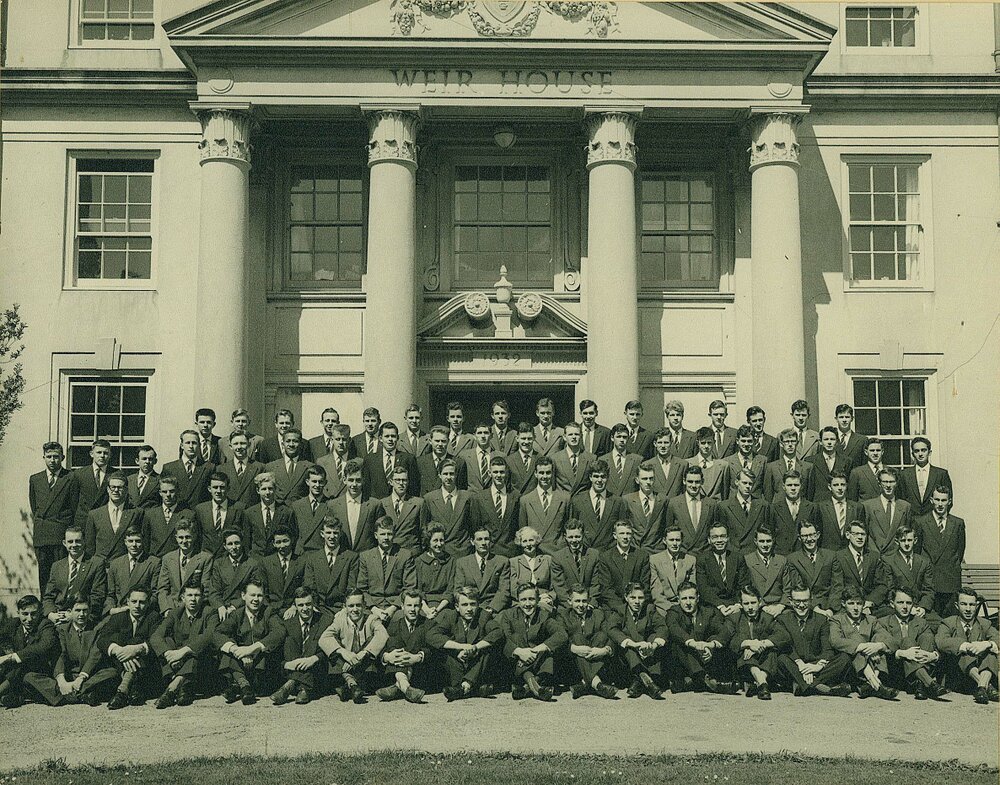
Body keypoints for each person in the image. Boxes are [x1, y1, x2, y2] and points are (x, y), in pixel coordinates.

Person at [23, 594, 118, 707]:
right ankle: (82, 695)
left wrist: (81, 678)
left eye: (85, 610)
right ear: (70, 611)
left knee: (112, 672)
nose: (81, 614)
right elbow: (60, 654)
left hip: (88, 676)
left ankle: (64, 697)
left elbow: (95, 655)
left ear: (90, 611)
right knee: (29, 677)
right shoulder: (61, 629)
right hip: (68, 677)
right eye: (77, 610)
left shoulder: (97, 629)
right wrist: (62, 681)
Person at [214, 580, 286, 705]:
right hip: (241, 663)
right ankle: (245, 686)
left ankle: (238, 685)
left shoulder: (269, 612)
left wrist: (253, 649)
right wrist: (236, 650)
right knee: (226, 649)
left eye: (259, 595)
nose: (256, 599)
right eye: (252, 595)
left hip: (260, 667)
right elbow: (218, 633)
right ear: (243, 596)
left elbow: (279, 632)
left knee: (267, 652)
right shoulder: (237, 614)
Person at [426, 585, 502, 701]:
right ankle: (474, 689)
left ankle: (464, 687)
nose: (469, 609)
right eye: (465, 605)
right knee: (445, 651)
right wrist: (460, 648)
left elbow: (498, 632)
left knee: (487, 650)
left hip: (475, 663)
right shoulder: (450, 616)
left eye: (473, 604)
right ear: (457, 607)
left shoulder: (483, 616)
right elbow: (431, 636)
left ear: (478, 605)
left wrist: (475, 647)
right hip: (458, 662)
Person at [774, 585, 853, 697]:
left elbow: (827, 649)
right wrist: (800, 664)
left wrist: (817, 666)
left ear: (811, 600)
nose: (801, 605)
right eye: (797, 601)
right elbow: (786, 647)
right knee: (781, 658)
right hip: (795, 665)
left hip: (816, 666)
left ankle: (803, 686)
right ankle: (822, 688)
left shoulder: (821, 619)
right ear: (791, 601)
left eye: (805, 601)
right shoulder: (783, 619)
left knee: (844, 658)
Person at [150, 582, 219, 708]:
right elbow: (156, 636)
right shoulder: (175, 613)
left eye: (197, 595)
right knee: (166, 640)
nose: (193, 599)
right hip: (176, 663)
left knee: (197, 647)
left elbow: (210, 636)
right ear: (183, 598)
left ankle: (172, 688)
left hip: (201, 663)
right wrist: (168, 654)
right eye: (190, 595)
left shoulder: (210, 612)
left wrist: (183, 652)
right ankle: (185, 688)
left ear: (203, 597)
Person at [872, 586, 946, 699]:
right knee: (907, 641)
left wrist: (932, 656)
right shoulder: (883, 623)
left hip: (918, 665)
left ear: (913, 605)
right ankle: (930, 683)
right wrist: (902, 653)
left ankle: (920, 685)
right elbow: (884, 647)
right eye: (900, 602)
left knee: (926, 637)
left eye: (908, 603)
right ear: (892, 604)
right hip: (896, 670)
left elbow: (931, 644)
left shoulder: (921, 622)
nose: (905, 607)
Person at [499, 583, 567, 701]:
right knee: (515, 638)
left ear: (538, 599)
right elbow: (505, 639)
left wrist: (537, 649)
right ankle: (536, 687)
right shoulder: (508, 615)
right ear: (518, 601)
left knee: (549, 652)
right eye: (523, 600)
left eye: (531, 599)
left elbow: (562, 634)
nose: (527, 604)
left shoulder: (544, 615)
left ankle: (526, 688)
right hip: (516, 662)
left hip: (537, 660)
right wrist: (520, 652)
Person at [318, 589, 388, 703]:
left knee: (372, 641)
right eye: (351, 606)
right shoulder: (340, 621)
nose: (355, 609)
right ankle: (353, 685)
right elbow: (323, 639)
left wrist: (363, 653)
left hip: (364, 668)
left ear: (365, 606)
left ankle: (347, 686)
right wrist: (343, 652)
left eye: (358, 605)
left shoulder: (372, 619)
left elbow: (383, 634)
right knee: (333, 644)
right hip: (345, 663)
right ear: (345, 607)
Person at [828, 586, 896, 700]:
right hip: (850, 666)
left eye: (859, 604)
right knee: (856, 646)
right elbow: (835, 641)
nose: (855, 608)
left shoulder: (871, 620)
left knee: (879, 638)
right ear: (843, 604)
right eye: (851, 603)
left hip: (872, 663)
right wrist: (863, 646)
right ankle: (878, 686)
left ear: (864, 604)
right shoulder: (837, 620)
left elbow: (891, 640)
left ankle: (872, 683)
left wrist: (877, 646)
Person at [97, 587, 160, 709]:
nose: (137, 606)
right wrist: (120, 651)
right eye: (134, 601)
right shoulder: (118, 617)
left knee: (138, 642)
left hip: (146, 665)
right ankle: (133, 689)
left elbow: (157, 640)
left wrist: (138, 648)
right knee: (118, 641)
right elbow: (102, 639)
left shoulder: (153, 617)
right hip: (120, 662)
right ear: (127, 602)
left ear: (148, 603)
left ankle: (122, 692)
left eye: (142, 602)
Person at [29, 441, 79, 592]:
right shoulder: (35, 479)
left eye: (56, 457)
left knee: (61, 573)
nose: (52, 460)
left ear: (62, 457)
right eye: (49, 456)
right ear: (43, 457)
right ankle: (46, 609)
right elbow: (35, 506)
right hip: (42, 535)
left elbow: (74, 506)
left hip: (60, 534)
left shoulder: (70, 477)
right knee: (44, 574)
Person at [665, 581, 732, 693]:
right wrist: (693, 643)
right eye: (684, 598)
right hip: (681, 663)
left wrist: (710, 645)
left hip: (704, 658)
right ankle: (704, 679)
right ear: (678, 600)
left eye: (691, 598)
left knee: (715, 639)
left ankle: (696, 680)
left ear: (698, 598)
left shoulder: (708, 612)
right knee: (679, 642)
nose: (688, 602)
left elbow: (724, 631)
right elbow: (674, 629)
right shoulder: (674, 612)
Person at [935, 588, 999, 704]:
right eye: (964, 604)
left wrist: (986, 644)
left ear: (976, 606)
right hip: (958, 678)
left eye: (972, 605)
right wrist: (965, 645)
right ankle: (986, 686)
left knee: (990, 651)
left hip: (981, 671)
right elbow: (941, 641)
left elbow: (997, 638)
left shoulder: (984, 623)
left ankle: (981, 688)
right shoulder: (948, 623)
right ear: (957, 605)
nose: (968, 609)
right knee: (963, 650)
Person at [270, 587, 333, 706]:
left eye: (308, 604)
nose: (305, 609)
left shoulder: (325, 621)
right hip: (294, 668)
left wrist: (313, 659)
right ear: (295, 606)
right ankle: (303, 688)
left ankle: (290, 685)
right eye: (301, 605)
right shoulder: (288, 623)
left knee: (314, 643)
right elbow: (279, 654)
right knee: (290, 642)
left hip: (316, 669)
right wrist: (286, 664)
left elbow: (331, 649)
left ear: (313, 603)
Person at [724, 584, 786, 700]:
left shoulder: (767, 618)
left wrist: (761, 644)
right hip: (742, 666)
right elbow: (728, 641)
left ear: (760, 602)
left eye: (753, 603)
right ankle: (763, 684)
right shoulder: (734, 618)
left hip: (764, 664)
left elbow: (783, 636)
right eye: (746, 604)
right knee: (745, 652)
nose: (750, 607)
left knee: (771, 651)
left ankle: (758, 682)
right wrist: (748, 643)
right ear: (741, 605)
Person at [608, 582, 668, 699]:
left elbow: (662, 627)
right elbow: (612, 629)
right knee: (627, 646)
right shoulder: (620, 611)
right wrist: (633, 644)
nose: (637, 602)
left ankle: (639, 682)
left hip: (647, 652)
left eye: (640, 598)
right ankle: (647, 680)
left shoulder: (649, 609)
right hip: (627, 659)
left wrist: (653, 645)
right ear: (626, 598)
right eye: (633, 597)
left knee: (653, 636)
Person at [557, 584, 617, 699]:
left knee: (601, 635)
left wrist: (605, 650)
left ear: (589, 600)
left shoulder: (598, 614)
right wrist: (574, 648)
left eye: (584, 601)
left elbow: (611, 635)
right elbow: (559, 640)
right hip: (573, 665)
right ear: (570, 601)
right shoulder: (562, 615)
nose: (581, 605)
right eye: (577, 601)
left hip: (596, 659)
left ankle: (584, 684)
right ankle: (597, 684)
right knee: (577, 638)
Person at [0, 594, 59, 708]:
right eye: (25, 614)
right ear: (18, 613)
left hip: (37, 670)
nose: (29, 619)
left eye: (33, 614)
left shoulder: (46, 625)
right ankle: (14, 697)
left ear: (40, 612)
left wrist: (10, 657)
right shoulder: (13, 624)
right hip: (16, 673)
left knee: (21, 666)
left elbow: (44, 646)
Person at [915, 485, 966, 617]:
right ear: (931, 500)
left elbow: (959, 551)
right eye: (937, 500)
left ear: (949, 502)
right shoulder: (921, 522)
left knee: (950, 620)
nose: (940, 504)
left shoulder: (958, 523)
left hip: (950, 579)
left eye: (943, 500)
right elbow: (917, 551)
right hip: (929, 581)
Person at [43, 525, 107, 627]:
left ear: (84, 542)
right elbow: (48, 597)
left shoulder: (96, 563)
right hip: (58, 617)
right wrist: (51, 614)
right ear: (64, 543)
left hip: (83, 617)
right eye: (70, 541)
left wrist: (74, 614)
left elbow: (98, 596)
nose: (74, 545)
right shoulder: (57, 566)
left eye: (78, 541)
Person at [358, 517, 417, 623]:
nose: (386, 538)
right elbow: (362, 589)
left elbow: (409, 587)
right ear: (376, 535)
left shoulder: (405, 555)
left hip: (396, 606)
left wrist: (392, 608)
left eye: (389, 534)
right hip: (372, 606)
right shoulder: (366, 557)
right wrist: (374, 609)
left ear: (393, 535)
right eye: (382, 534)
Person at [377, 589, 430, 703]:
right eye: (409, 605)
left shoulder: (428, 625)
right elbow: (383, 648)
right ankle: (406, 687)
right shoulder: (393, 626)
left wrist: (417, 657)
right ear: (402, 607)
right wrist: (387, 657)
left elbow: (434, 650)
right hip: (397, 668)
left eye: (416, 606)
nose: (412, 609)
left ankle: (398, 686)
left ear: (421, 607)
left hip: (419, 672)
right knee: (393, 646)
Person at [301, 517, 359, 616]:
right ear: (322, 534)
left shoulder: (351, 557)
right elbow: (309, 587)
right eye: (328, 532)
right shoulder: (313, 558)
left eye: (335, 533)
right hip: (319, 609)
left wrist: (344, 609)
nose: (332, 537)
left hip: (342, 609)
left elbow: (351, 587)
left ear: (340, 534)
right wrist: (315, 608)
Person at [829, 520, 888, 615]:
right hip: (848, 605)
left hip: (869, 605)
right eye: (856, 534)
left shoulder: (874, 556)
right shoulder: (839, 557)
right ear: (848, 535)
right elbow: (838, 586)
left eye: (863, 534)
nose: (860, 537)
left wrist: (869, 603)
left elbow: (882, 585)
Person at [878, 524, 936, 620]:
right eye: (903, 540)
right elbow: (889, 589)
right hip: (897, 607)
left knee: (939, 624)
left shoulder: (924, 562)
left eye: (909, 540)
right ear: (897, 542)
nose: (906, 544)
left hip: (918, 607)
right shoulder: (888, 560)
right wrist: (907, 607)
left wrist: (923, 607)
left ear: (915, 541)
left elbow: (929, 589)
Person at [452, 526, 510, 618]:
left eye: (486, 539)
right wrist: (468, 607)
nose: (483, 543)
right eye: (479, 539)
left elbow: (503, 591)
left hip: (492, 608)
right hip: (470, 607)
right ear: (472, 541)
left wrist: (491, 608)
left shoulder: (501, 561)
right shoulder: (462, 563)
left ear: (490, 541)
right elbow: (458, 590)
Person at [104, 525, 161, 618]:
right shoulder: (115, 564)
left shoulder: (153, 563)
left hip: (143, 612)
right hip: (119, 611)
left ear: (143, 542)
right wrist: (112, 609)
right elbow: (110, 594)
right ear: (125, 542)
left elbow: (155, 594)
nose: (134, 545)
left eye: (138, 541)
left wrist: (136, 607)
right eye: (130, 541)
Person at [156, 521, 212, 616]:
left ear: (194, 537)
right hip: (171, 609)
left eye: (188, 537)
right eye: (181, 537)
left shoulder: (205, 558)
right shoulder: (168, 558)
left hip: (194, 609)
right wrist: (166, 609)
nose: (184, 541)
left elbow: (205, 588)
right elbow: (162, 588)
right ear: (176, 538)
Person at [695, 522, 749, 619]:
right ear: (709, 540)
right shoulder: (702, 559)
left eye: (723, 536)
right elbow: (704, 589)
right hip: (712, 606)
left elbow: (743, 584)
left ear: (728, 538)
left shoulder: (737, 558)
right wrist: (720, 606)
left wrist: (737, 605)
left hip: (735, 605)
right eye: (715, 537)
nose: (719, 540)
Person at [208, 528, 263, 621]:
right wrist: (220, 606)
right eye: (230, 544)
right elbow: (214, 591)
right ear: (225, 546)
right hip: (222, 608)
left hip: (244, 607)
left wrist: (234, 606)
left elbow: (254, 592)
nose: (233, 547)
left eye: (236, 543)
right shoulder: (218, 563)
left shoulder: (252, 564)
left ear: (242, 543)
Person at [518, 456, 570, 554]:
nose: (545, 477)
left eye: (548, 473)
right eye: (541, 473)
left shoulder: (564, 498)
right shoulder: (525, 500)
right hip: (536, 553)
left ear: (553, 473)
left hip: (557, 553)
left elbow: (568, 529)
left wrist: (561, 545)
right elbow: (523, 532)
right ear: (535, 474)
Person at [86, 471, 142, 562]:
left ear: (126, 490)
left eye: (120, 487)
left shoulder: (136, 513)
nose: (116, 490)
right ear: (108, 489)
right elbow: (90, 548)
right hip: (101, 566)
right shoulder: (94, 514)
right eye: (113, 487)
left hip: (124, 565)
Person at [596, 521, 651, 614]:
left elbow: (645, 585)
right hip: (614, 607)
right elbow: (606, 589)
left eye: (628, 533)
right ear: (615, 535)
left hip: (637, 605)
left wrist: (634, 602)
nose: (625, 537)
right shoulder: (606, 557)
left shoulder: (642, 556)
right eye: (622, 533)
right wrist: (622, 608)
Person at [420, 458, 474, 554]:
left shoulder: (467, 497)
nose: (448, 477)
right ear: (439, 475)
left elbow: (474, 524)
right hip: (439, 551)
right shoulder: (429, 498)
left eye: (452, 474)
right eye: (445, 474)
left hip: (462, 551)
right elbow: (424, 527)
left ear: (456, 475)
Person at [783, 521, 836, 617]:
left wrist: (831, 609)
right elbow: (799, 587)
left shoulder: (831, 556)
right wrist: (816, 608)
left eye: (812, 535)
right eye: (805, 536)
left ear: (818, 535)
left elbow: (837, 586)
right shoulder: (792, 559)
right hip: (806, 606)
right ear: (799, 538)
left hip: (830, 606)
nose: (809, 539)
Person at [570, 459, 624, 553]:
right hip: (585, 554)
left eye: (603, 477)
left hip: (607, 554)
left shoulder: (617, 502)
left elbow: (621, 530)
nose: (599, 480)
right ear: (590, 477)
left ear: (607, 478)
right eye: (596, 476)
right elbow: (572, 529)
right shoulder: (577, 500)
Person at [664, 465, 719, 555]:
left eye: (697, 482)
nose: (693, 485)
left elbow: (714, 532)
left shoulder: (711, 504)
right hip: (683, 555)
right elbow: (669, 531)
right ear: (684, 481)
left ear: (702, 482)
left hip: (705, 555)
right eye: (690, 481)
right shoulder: (674, 503)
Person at [470, 456, 518, 556]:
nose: (499, 475)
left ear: (507, 473)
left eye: (502, 472)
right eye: (495, 472)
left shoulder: (515, 496)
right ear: (489, 473)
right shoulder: (479, 498)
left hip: (509, 552)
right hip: (489, 553)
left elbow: (517, 527)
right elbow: (476, 526)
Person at [328, 458, 378, 553]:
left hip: (366, 557)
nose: (354, 484)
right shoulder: (333, 505)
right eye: (351, 480)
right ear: (344, 480)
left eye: (358, 480)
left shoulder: (374, 505)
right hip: (342, 556)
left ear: (363, 480)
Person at [716, 469, 770, 554]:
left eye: (750, 484)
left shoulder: (762, 505)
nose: (748, 486)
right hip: (734, 554)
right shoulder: (724, 506)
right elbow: (722, 534)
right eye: (744, 483)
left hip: (755, 554)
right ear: (737, 482)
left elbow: (767, 532)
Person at [550, 520, 601, 608]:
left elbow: (595, 584)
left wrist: (590, 603)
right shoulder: (558, 557)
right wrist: (573, 605)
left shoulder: (594, 555)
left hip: (588, 604)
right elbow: (559, 587)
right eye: (570, 537)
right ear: (565, 537)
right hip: (567, 605)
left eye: (577, 536)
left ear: (583, 536)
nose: (574, 540)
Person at [897, 437, 953, 518]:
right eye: (917, 451)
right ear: (912, 454)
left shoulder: (941, 474)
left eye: (923, 450)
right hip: (911, 522)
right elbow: (900, 500)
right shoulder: (904, 475)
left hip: (933, 522)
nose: (920, 454)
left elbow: (948, 500)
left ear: (929, 452)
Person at [363, 421, 420, 500]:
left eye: (393, 436)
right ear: (380, 438)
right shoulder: (370, 460)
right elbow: (366, 487)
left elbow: (414, 486)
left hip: (401, 505)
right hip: (377, 505)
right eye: (387, 436)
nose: (390, 439)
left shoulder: (408, 459)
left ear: (397, 438)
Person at [196, 471, 248, 558]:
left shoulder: (239, 508)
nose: (218, 491)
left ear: (228, 488)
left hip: (229, 559)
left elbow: (245, 537)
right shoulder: (201, 509)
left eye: (222, 487)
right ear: (209, 489)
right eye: (215, 487)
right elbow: (198, 537)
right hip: (207, 559)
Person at [861, 468, 912, 556]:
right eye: (885, 482)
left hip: (896, 557)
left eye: (891, 482)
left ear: (896, 483)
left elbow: (907, 534)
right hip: (875, 556)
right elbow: (864, 534)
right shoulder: (868, 506)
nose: (888, 485)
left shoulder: (904, 506)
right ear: (879, 483)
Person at [142, 474, 195, 558]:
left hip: (176, 561)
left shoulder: (188, 515)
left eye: (172, 491)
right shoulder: (150, 514)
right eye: (164, 491)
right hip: (155, 561)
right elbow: (145, 543)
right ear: (160, 493)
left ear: (177, 491)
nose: (168, 495)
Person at [244, 472, 295, 558]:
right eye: (264, 489)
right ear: (258, 490)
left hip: (278, 558)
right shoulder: (249, 513)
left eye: (270, 488)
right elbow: (246, 540)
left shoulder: (286, 512)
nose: (267, 492)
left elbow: (293, 537)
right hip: (256, 559)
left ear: (275, 489)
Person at [161, 430, 215, 510]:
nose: (191, 446)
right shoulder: (169, 468)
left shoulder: (208, 468)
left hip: (199, 514)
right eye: (187, 443)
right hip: (177, 513)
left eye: (194, 443)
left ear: (199, 445)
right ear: (182, 445)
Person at [649, 526, 697, 616]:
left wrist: (683, 606)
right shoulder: (655, 560)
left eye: (677, 540)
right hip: (664, 608)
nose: (675, 543)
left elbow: (692, 589)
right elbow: (657, 594)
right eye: (671, 540)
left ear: (682, 541)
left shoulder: (690, 560)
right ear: (664, 540)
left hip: (686, 606)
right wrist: (673, 610)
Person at [261, 526, 305, 620]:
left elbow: (305, 587)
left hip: (293, 610)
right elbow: (262, 590)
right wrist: (269, 610)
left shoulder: (301, 562)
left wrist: (294, 606)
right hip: (271, 611)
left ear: (292, 540)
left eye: (285, 541)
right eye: (278, 542)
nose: (282, 545)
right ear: (273, 544)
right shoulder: (266, 562)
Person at [621, 461, 667, 552]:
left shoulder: (662, 500)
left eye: (651, 479)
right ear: (637, 480)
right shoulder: (628, 500)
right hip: (636, 551)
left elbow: (666, 526)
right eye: (644, 479)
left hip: (656, 551)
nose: (648, 482)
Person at [769, 471, 817, 556]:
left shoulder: (811, 507)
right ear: (784, 486)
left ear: (801, 486)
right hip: (782, 556)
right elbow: (771, 534)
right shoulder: (774, 508)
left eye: (796, 485)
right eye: (789, 485)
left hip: (804, 555)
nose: (793, 488)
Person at [743, 527, 788, 618]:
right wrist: (762, 606)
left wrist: (781, 606)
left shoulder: (782, 560)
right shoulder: (748, 561)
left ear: (773, 541)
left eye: (768, 541)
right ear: (755, 541)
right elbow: (746, 588)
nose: (765, 545)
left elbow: (788, 587)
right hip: (758, 607)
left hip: (780, 607)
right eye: (762, 541)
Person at [815, 470, 864, 551]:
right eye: (836, 485)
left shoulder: (857, 507)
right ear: (829, 487)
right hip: (828, 553)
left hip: (850, 553)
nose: (840, 488)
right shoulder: (821, 507)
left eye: (843, 485)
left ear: (846, 486)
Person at [414, 524, 455, 619]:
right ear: (428, 542)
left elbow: (450, 590)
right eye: (435, 541)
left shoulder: (451, 561)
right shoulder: (419, 561)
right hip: (423, 605)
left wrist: (438, 609)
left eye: (442, 540)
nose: (439, 544)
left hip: (444, 606)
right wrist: (426, 610)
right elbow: (418, 590)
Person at [264, 427, 313, 506]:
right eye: (288, 441)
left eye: (295, 441)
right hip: (278, 511)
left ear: (301, 444)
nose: (291, 444)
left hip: (299, 510)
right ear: (283, 444)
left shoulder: (309, 466)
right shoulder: (270, 467)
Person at [763, 428, 816, 502]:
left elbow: (810, 494)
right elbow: (768, 495)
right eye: (787, 442)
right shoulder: (771, 467)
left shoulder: (807, 467)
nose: (790, 445)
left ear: (797, 443)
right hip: (778, 510)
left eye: (793, 441)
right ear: (781, 444)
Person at [509, 526, 555, 611]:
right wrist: (531, 599)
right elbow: (513, 589)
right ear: (520, 543)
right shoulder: (514, 562)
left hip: (544, 600)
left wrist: (550, 597)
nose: (528, 544)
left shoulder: (547, 559)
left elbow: (554, 585)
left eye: (531, 540)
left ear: (536, 541)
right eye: (524, 541)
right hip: (521, 602)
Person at [291, 465, 333, 553]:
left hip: (321, 554)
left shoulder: (330, 505)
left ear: (325, 482)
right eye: (314, 481)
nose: (317, 485)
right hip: (301, 554)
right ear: (307, 482)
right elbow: (293, 534)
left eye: (320, 482)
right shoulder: (296, 506)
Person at [72, 439, 111, 532]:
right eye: (99, 452)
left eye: (105, 453)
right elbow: (73, 500)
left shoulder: (115, 474)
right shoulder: (79, 474)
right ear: (91, 454)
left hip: (106, 521)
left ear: (110, 455)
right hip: (83, 522)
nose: (102, 456)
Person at [218, 432, 264, 508]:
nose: (239, 447)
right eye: (236, 444)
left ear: (249, 445)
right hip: (230, 512)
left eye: (242, 443)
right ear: (230, 446)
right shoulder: (221, 469)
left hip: (251, 512)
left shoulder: (260, 467)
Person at [721, 425, 766, 499]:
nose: (746, 444)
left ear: (754, 441)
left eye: (749, 441)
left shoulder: (762, 461)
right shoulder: (727, 462)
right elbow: (725, 489)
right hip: (734, 505)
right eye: (743, 441)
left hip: (755, 505)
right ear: (737, 441)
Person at [552, 422, 594, 497]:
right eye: (570, 434)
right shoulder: (555, 459)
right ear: (565, 437)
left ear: (581, 436)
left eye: (576, 434)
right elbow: (552, 486)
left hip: (582, 502)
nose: (574, 437)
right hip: (563, 502)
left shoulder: (591, 458)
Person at [689, 428, 732, 501]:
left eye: (709, 443)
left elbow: (725, 493)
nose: (706, 446)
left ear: (714, 442)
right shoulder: (688, 463)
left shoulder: (723, 466)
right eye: (703, 443)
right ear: (697, 443)